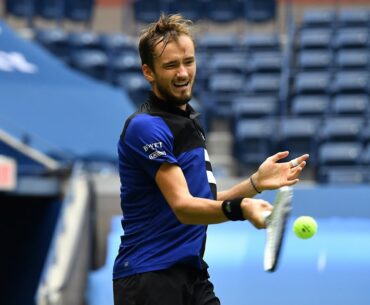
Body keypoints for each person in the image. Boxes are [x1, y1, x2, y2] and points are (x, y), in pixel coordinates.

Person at [113, 13, 309, 305]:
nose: (182, 73)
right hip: (149, 277)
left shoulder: (188, 124)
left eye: (188, 62)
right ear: (148, 72)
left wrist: (255, 183)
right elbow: (184, 207)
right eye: (170, 65)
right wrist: (242, 209)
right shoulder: (146, 126)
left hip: (191, 275)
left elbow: (205, 202)